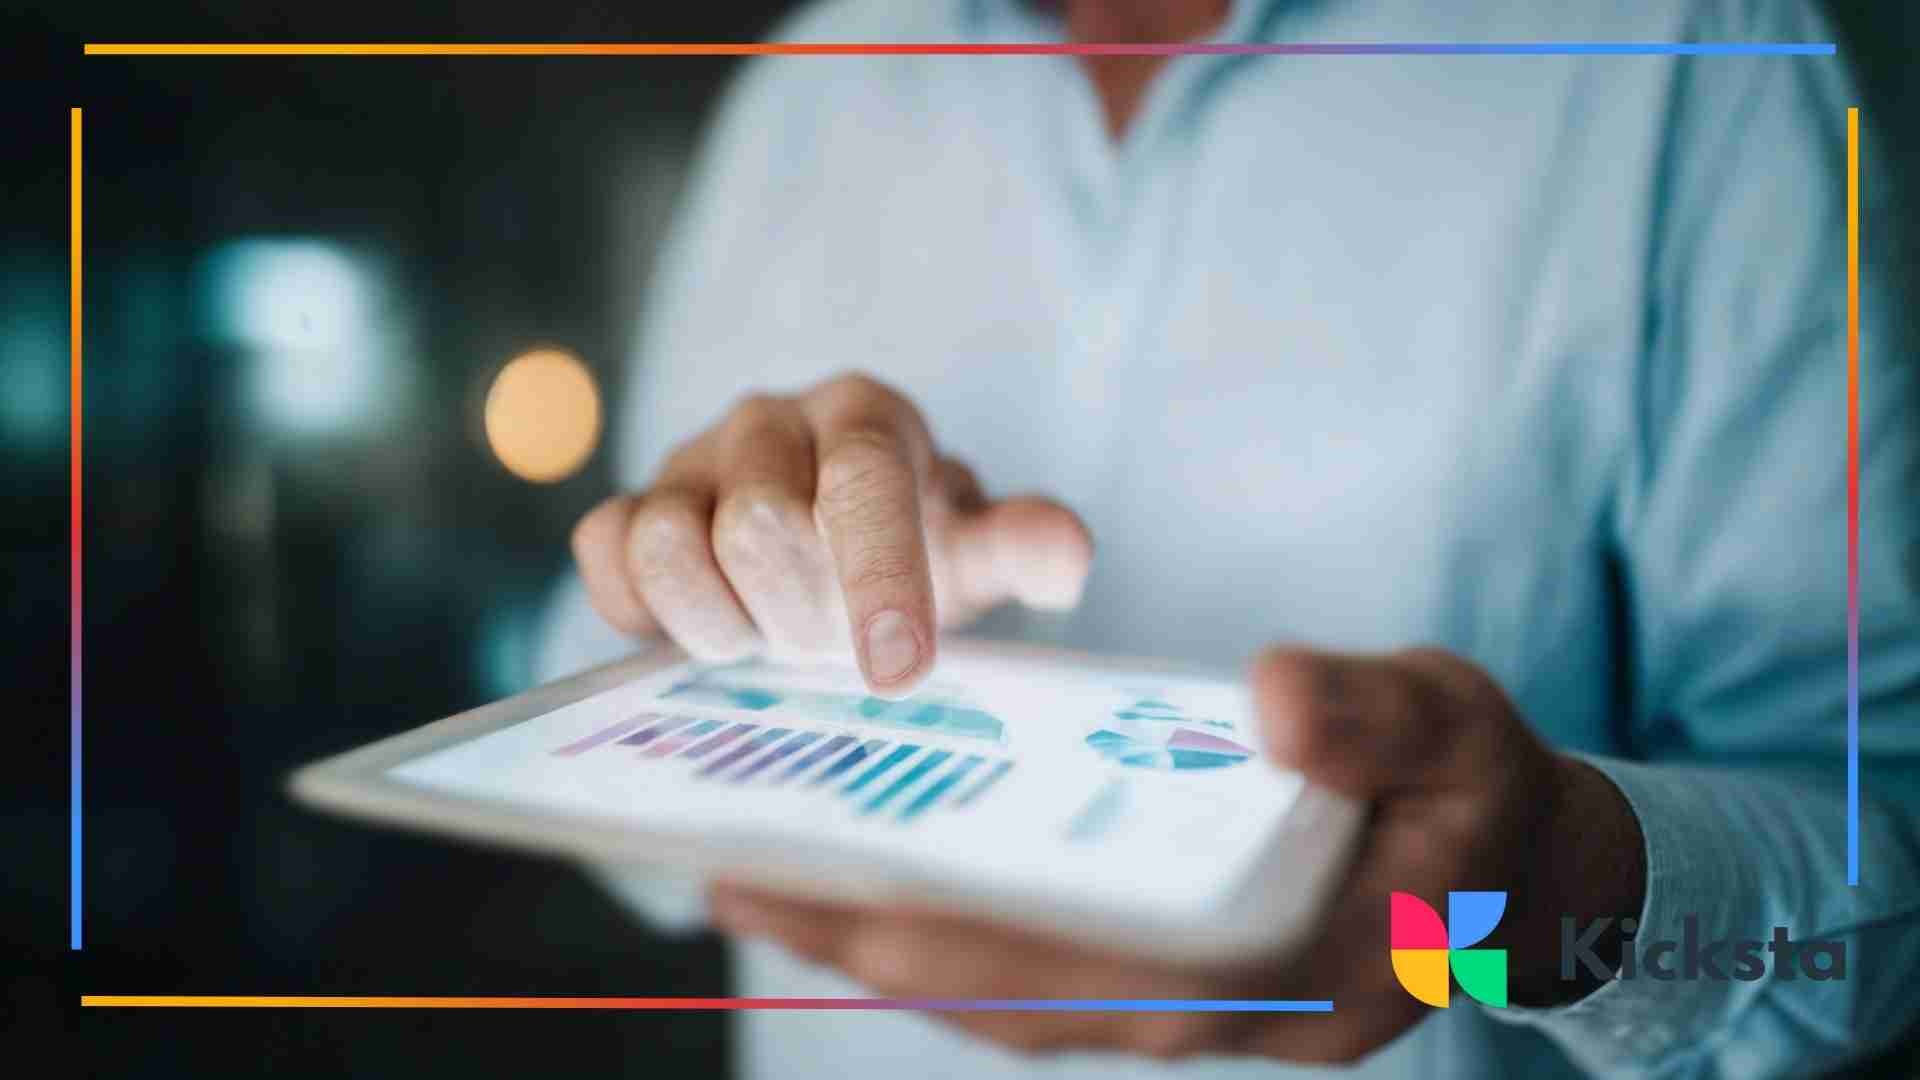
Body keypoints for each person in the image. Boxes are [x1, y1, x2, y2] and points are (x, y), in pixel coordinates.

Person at [540, 0, 1920, 1075]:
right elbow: (587, 757)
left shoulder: (1682, 52)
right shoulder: (804, 92)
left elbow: (1884, 856)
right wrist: (720, 606)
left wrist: (1538, 901)